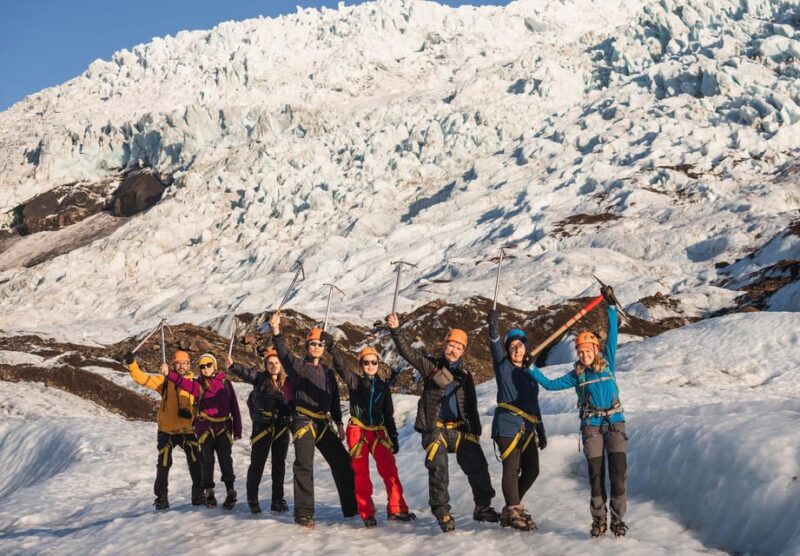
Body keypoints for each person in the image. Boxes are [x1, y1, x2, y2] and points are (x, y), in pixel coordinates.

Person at [526, 286, 628, 537]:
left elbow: (613, 333)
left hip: (615, 422)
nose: (584, 354)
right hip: (591, 425)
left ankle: (617, 519)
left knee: (617, 474)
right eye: (580, 351)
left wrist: (611, 306)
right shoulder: (577, 375)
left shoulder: (609, 363)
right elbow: (550, 384)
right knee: (595, 475)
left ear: (595, 350)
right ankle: (598, 520)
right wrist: (531, 369)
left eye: (587, 350)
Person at [386, 312, 499, 533]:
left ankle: (483, 507)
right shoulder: (431, 367)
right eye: (451, 344)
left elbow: (471, 406)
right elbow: (407, 353)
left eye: (458, 346)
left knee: (479, 468)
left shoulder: (465, 375)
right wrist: (395, 329)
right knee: (439, 471)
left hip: (459, 429)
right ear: (445, 345)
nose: (453, 349)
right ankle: (442, 512)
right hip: (434, 428)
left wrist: (474, 431)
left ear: (463, 350)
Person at [269, 313, 357, 528]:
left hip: (323, 422)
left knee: (343, 463)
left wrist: (338, 422)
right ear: (307, 346)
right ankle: (304, 514)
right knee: (304, 466)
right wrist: (276, 331)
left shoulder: (327, 372)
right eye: (313, 344)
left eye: (320, 344)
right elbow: (284, 355)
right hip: (303, 420)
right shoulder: (298, 367)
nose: (316, 347)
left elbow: (334, 399)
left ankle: (351, 508)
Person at [328, 338, 416, 528]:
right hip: (358, 431)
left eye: (373, 362)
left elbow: (388, 415)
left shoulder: (383, 388)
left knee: (390, 470)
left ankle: (397, 508)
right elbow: (342, 367)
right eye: (366, 362)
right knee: (361, 474)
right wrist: (333, 348)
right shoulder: (354, 382)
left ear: (378, 364)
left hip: (378, 432)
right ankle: (366, 512)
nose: (369, 365)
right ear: (361, 365)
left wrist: (393, 436)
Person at [487, 310, 547, 531]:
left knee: (532, 470)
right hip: (507, 424)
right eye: (512, 346)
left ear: (525, 347)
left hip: (528, 427)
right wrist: (493, 328)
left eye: (520, 345)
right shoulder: (503, 367)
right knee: (511, 469)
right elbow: (494, 345)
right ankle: (514, 509)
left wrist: (541, 430)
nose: (516, 349)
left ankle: (510, 508)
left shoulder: (531, 373)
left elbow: (534, 403)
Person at [125, 350, 203, 510]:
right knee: (164, 464)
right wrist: (131, 363)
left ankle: (198, 495)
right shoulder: (164, 381)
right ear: (173, 364)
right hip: (166, 431)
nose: (181, 366)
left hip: (187, 430)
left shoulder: (194, 384)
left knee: (196, 462)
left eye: (184, 363)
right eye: (178, 363)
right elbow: (142, 378)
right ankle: (161, 498)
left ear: (189, 364)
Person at [163, 353, 242, 511]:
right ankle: (209, 490)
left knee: (226, 460)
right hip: (205, 428)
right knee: (207, 461)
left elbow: (234, 406)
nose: (205, 369)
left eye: (208, 365)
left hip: (224, 427)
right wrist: (168, 374)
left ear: (214, 365)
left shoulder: (225, 383)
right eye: (202, 367)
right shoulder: (197, 384)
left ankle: (230, 490)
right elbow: (181, 382)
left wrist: (237, 429)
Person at [227, 348, 291, 515]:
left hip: (281, 427)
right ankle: (252, 499)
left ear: (281, 365)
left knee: (279, 465)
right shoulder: (261, 379)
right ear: (265, 365)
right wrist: (234, 366)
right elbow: (247, 374)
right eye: (270, 363)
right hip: (263, 427)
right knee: (258, 465)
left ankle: (278, 500)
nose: (274, 366)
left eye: (277, 363)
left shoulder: (287, 383)